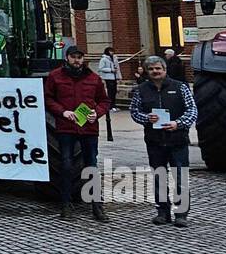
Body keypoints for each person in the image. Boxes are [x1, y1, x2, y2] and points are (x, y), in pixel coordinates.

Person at [43, 45, 112, 221]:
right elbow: (48, 98)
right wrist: (62, 112)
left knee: (91, 166)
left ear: (83, 59)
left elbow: (104, 101)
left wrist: (96, 112)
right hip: (66, 127)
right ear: (67, 58)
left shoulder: (93, 78)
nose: (77, 60)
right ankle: (66, 204)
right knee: (65, 166)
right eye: (73, 57)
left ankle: (97, 205)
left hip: (89, 129)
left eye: (79, 57)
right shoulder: (55, 76)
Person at [129, 55, 198, 228]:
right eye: (151, 69)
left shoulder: (180, 87)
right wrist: (146, 118)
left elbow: (192, 111)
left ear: (165, 70)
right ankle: (162, 212)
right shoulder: (141, 90)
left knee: (180, 177)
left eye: (158, 68)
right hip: (155, 141)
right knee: (159, 177)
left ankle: (181, 214)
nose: (155, 71)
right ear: (147, 71)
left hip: (177, 140)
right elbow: (134, 112)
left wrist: (178, 123)